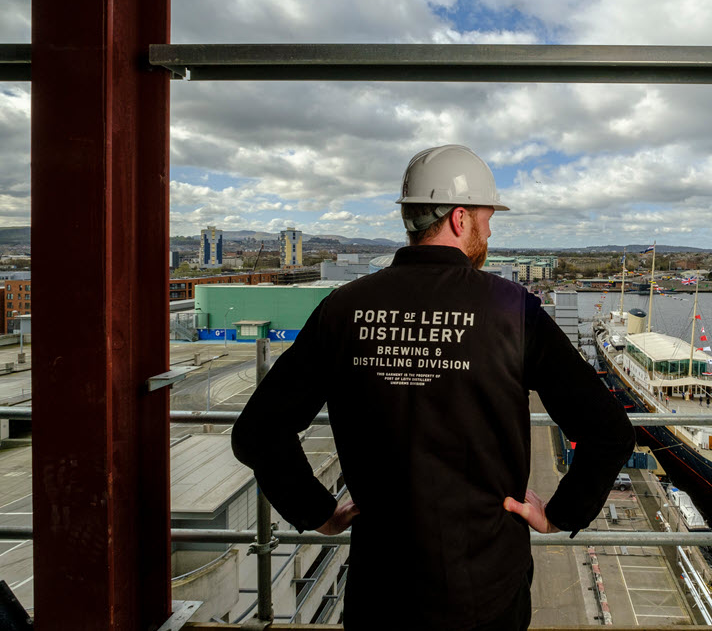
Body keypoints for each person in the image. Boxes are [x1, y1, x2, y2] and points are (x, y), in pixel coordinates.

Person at [232, 144, 636, 630]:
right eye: (488, 218)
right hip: (485, 589)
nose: (489, 230)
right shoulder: (513, 311)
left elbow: (258, 432)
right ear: (461, 217)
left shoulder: (343, 308)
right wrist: (562, 514)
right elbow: (609, 432)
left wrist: (317, 511)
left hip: (381, 589)